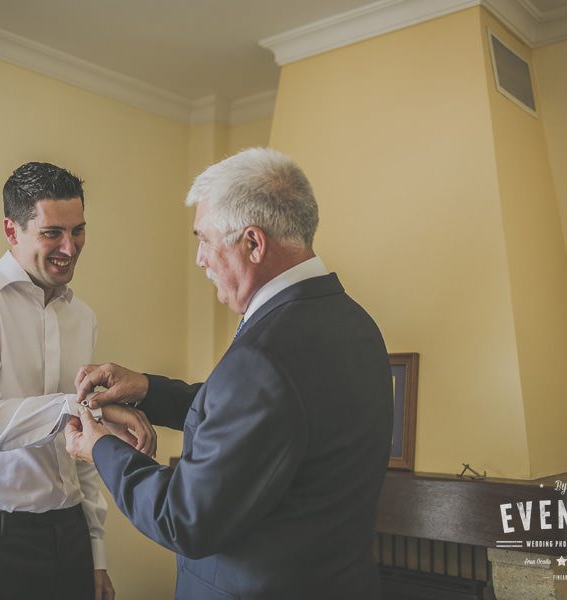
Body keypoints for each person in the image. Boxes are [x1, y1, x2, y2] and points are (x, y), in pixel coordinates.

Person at [65, 147, 393, 599]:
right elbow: (268, 417)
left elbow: (185, 518)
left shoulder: (266, 354)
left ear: (253, 243)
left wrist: (100, 447)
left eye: (203, 238)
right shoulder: (355, 323)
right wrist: (148, 390)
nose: (199, 259)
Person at [0, 161, 155, 600]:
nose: (70, 247)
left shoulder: (82, 317)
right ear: (12, 231)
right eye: (53, 233)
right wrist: (81, 406)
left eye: (79, 230)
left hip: (67, 537)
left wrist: (96, 553)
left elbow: (75, 447)